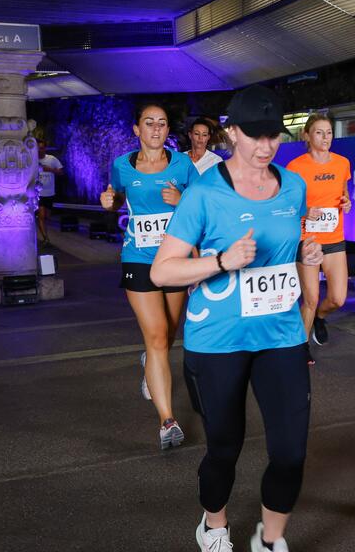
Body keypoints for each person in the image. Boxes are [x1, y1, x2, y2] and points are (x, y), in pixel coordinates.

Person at [151, 85, 322, 552]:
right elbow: (162, 270)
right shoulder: (204, 194)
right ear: (231, 133)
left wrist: (307, 255)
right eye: (256, 136)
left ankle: (270, 539)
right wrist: (221, 262)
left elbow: (292, 248)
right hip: (217, 340)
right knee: (224, 447)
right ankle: (214, 525)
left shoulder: (294, 186)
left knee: (290, 452)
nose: (267, 147)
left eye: (275, 136)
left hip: (281, 335)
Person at [100, 103, 199, 449]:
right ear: (136, 129)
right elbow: (115, 197)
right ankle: (167, 421)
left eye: (162, 123)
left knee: (169, 333)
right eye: (149, 123)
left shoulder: (183, 165)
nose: (156, 129)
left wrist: (183, 197)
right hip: (138, 258)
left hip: (174, 257)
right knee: (157, 336)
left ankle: (148, 363)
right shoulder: (122, 166)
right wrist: (109, 201)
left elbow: (204, 204)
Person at [286, 113, 351, 346]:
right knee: (311, 299)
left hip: (334, 237)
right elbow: (287, 206)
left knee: (338, 298)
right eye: (319, 132)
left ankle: (320, 318)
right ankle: (300, 350)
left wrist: (347, 202)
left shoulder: (342, 163)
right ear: (307, 135)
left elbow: (344, 195)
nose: (325, 137)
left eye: (329, 132)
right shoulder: (295, 167)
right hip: (308, 238)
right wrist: (305, 210)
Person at [36, 138, 64, 248]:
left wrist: (50, 170)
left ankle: (45, 234)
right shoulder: (32, 160)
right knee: (41, 216)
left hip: (50, 193)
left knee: (47, 217)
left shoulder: (51, 159)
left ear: (45, 148)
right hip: (38, 193)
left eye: (41, 148)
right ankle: (45, 238)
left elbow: (61, 172)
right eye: (37, 148)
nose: (39, 150)